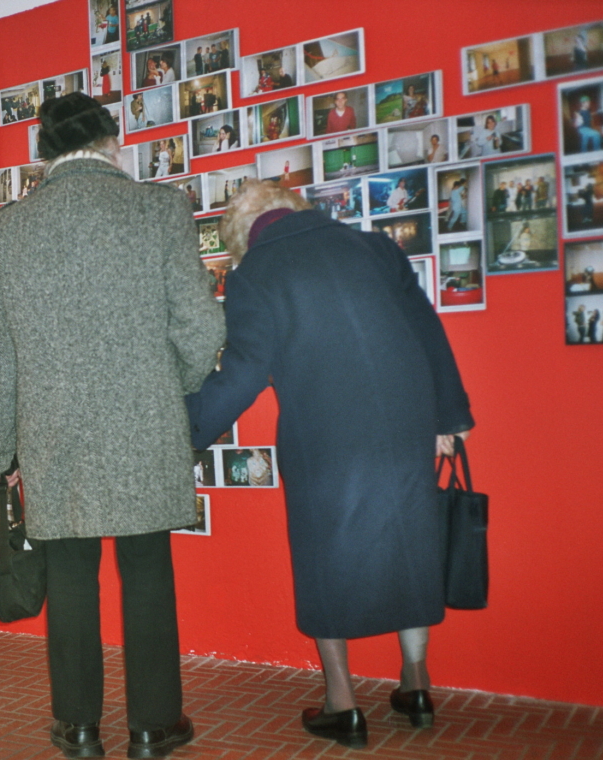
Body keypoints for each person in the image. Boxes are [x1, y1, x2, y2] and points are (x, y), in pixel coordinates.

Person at [0, 92, 224, 759]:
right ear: (113, 142)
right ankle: (152, 727)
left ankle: (79, 728)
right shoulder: (160, 209)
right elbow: (201, 328)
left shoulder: (5, 231)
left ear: (44, 154)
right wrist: (168, 388)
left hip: (53, 433)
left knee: (72, 575)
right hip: (144, 421)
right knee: (147, 570)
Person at [185, 180, 473, 750]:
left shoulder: (255, 276)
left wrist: (181, 429)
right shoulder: (375, 248)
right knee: (410, 545)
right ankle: (415, 686)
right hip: (404, 424)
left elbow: (242, 373)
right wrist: (449, 417)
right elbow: (428, 333)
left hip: (325, 436)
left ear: (240, 237)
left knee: (325, 558)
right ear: (296, 209)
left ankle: (343, 705)